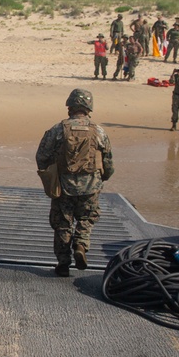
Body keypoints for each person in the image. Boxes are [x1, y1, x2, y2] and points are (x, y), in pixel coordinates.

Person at [36, 88, 114, 277]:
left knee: (63, 223)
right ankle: (81, 244)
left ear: (69, 106)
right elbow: (108, 162)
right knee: (86, 219)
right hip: (91, 186)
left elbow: (42, 156)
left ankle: (63, 264)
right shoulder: (99, 132)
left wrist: (50, 174)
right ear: (89, 108)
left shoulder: (58, 129)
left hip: (64, 185)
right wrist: (102, 178)